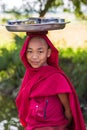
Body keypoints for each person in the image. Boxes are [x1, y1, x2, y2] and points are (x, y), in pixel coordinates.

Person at [15, 31, 86, 130]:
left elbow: (68, 110)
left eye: (40, 51)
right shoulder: (30, 74)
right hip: (33, 126)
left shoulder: (56, 77)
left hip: (54, 126)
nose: (34, 56)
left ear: (48, 52)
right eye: (30, 51)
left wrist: (62, 127)